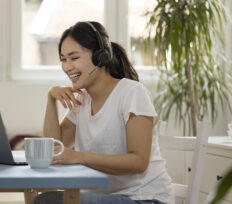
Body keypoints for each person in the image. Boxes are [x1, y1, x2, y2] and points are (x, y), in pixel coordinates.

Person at [32, 21, 174, 204]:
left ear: (100, 56)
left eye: (74, 58)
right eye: (63, 59)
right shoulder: (82, 101)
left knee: (48, 201)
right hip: (106, 198)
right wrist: (51, 99)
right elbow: (54, 147)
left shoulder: (132, 93)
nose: (67, 67)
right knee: (45, 199)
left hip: (144, 198)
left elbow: (138, 162)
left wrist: (77, 156)